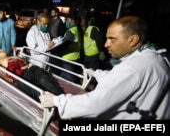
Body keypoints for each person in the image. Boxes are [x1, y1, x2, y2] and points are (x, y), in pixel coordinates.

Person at [39, 16, 170, 120]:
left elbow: (95, 103)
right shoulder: (154, 58)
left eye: (112, 39)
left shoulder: (133, 68)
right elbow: (119, 81)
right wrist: (96, 74)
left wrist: (57, 101)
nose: (106, 44)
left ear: (133, 40)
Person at [0, 49, 64, 101]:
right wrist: (4, 77)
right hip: (22, 76)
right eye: (0, 51)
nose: (2, 50)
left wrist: (41, 69)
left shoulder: (12, 56)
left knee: (48, 84)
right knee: (38, 92)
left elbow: (27, 63)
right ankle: (54, 106)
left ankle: (63, 101)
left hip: (32, 69)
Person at [81, 15, 105, 90]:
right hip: (87, 57)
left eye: (82, 20)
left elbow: (99, 41)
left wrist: (101, 51)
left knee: (93, 77)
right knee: (86, 75)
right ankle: (87, 88)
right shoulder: (87, 30)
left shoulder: (93, 29)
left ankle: (92, 90)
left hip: (93, 57)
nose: (81, 21)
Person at [59, 13, 82, 82]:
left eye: (67, 20)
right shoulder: (76, 29)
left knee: (67, 78)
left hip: (68, 58)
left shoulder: (71, 31)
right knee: (69, 76)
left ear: (72, 21)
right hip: (74, 57)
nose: (66, 22)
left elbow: (65, 45)